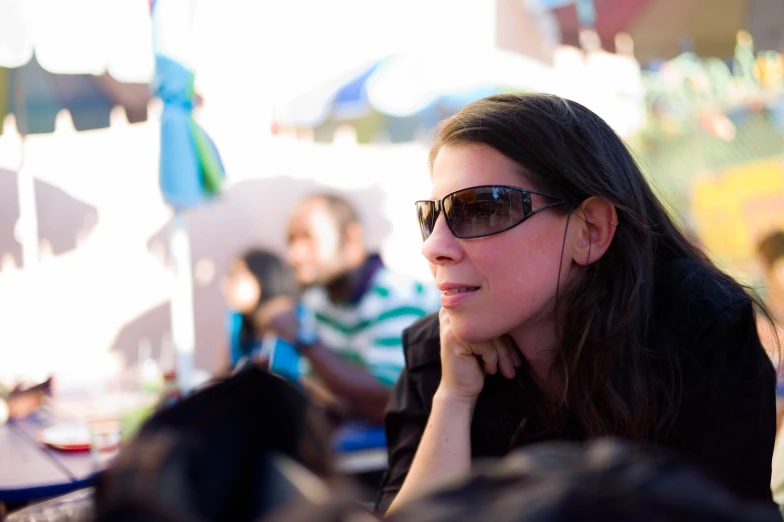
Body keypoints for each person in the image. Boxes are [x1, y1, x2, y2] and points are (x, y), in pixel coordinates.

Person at [378, 93, 778, 514]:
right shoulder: (438, 355)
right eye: (431, 217)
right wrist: (454, 399)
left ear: (589, 230)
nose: (435, 247)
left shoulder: (694, 328)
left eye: (480, 208)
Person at [263, 194, 440, 425]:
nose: (294, 255)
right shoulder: (317, 300)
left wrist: (304, 340)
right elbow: (318, 387)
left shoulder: (397, 297)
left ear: (351, 237)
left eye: (308, 238)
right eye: (291, 240)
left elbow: (389, 401)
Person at [221, 248, 298, 372]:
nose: (225, 285)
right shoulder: (236, 321)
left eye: (235, 276)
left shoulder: (292, 316)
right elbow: (227, 372)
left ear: (262, 277)